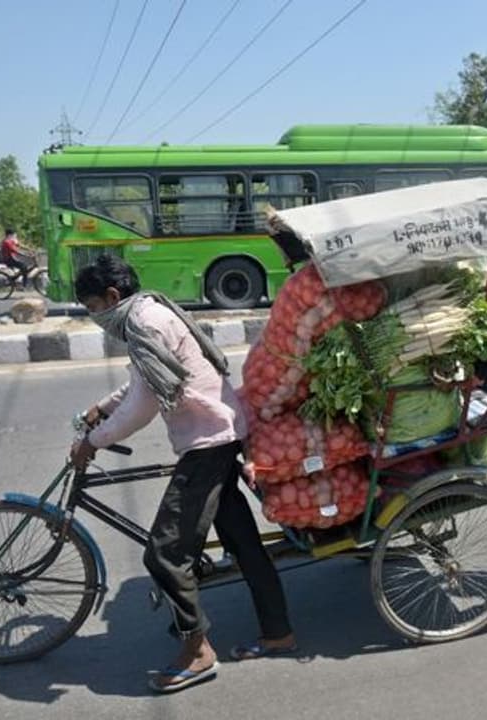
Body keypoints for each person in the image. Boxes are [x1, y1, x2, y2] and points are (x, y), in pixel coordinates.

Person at [69, 254, 295, 693]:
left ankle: (197, 652)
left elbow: (144, 405)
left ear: (112, 298)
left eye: (94, 307)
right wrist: (103, 408)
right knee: (243, 544)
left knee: (164, 555)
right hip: (219, 432)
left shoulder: (145, 324)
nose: (96, 317)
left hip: (208, 443)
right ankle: (278, 631)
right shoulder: (150, 311)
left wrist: (92, 442)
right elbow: (142, 384)